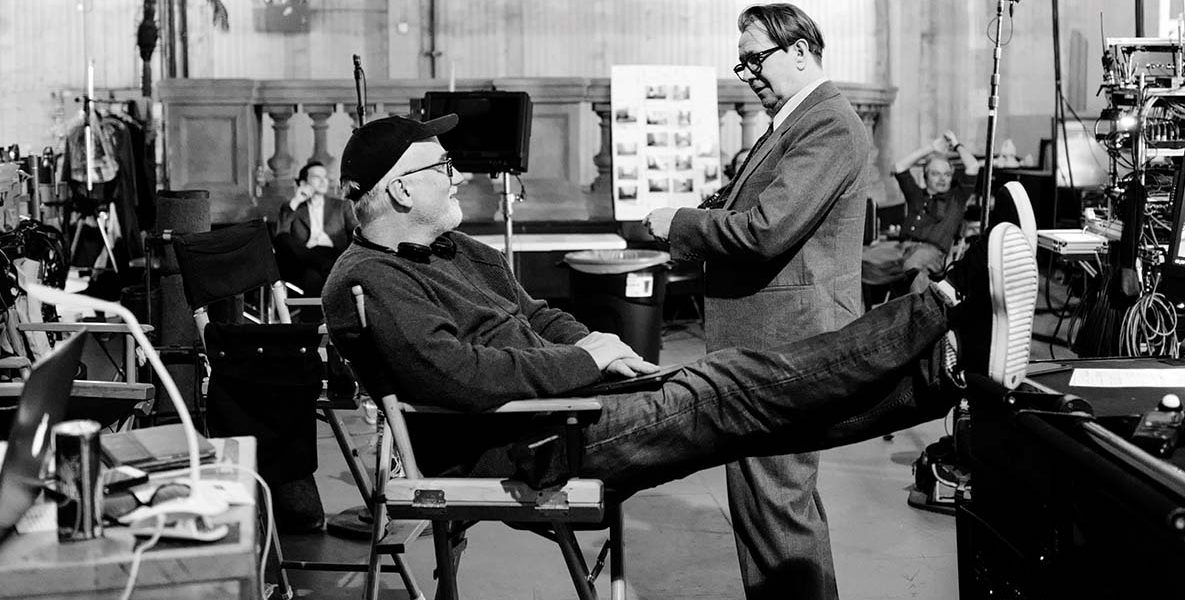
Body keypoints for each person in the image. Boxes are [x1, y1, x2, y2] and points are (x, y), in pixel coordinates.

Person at [321, 115, 1039, 593]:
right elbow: (457, 378)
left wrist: (598, 348)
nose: (457, 176)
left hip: (563, 410)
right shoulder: (367, 279)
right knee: (730, 383)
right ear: (401, 188)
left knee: (758, 415)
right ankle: (947, 306)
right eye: (442, 165)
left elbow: (535, 314)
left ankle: (947, 369)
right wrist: (585, 362)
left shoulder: (457, 249)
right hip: (517, 444)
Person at [640, 6, 869, 597]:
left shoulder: (827, 123)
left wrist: (679, 224)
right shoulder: (795, 123)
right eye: (742, 65)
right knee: (775, 505)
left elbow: (767, 230)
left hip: (785, 346)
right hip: (772, 343)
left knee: (776, 505)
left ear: (801, 51)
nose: (749, 74)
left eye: (756, 59)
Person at [861, 130, 980, 291]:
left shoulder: (956, 198)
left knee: (912, 266)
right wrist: (931, 148)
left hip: (932, 253)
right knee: (858, 259)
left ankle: (923, 306)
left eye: (947, 175)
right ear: (925, 176)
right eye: (935, 174)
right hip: (901, 248)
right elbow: (899, 167)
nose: (942, 179)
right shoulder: (916, 195)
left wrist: (956, 144)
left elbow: (973, 166)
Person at [274, 160, 360, 296]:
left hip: (333, 254)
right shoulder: (293, 207)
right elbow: (281, 234)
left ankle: (310, 313)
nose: (323, 181)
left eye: (325, 177)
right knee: (283, 238)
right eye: (316, 177)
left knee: (312, 275)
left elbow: (355, 232)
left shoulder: (341, 206)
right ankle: (323, 265)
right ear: (303, 183)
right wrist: (296, 200)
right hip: (304, 256)